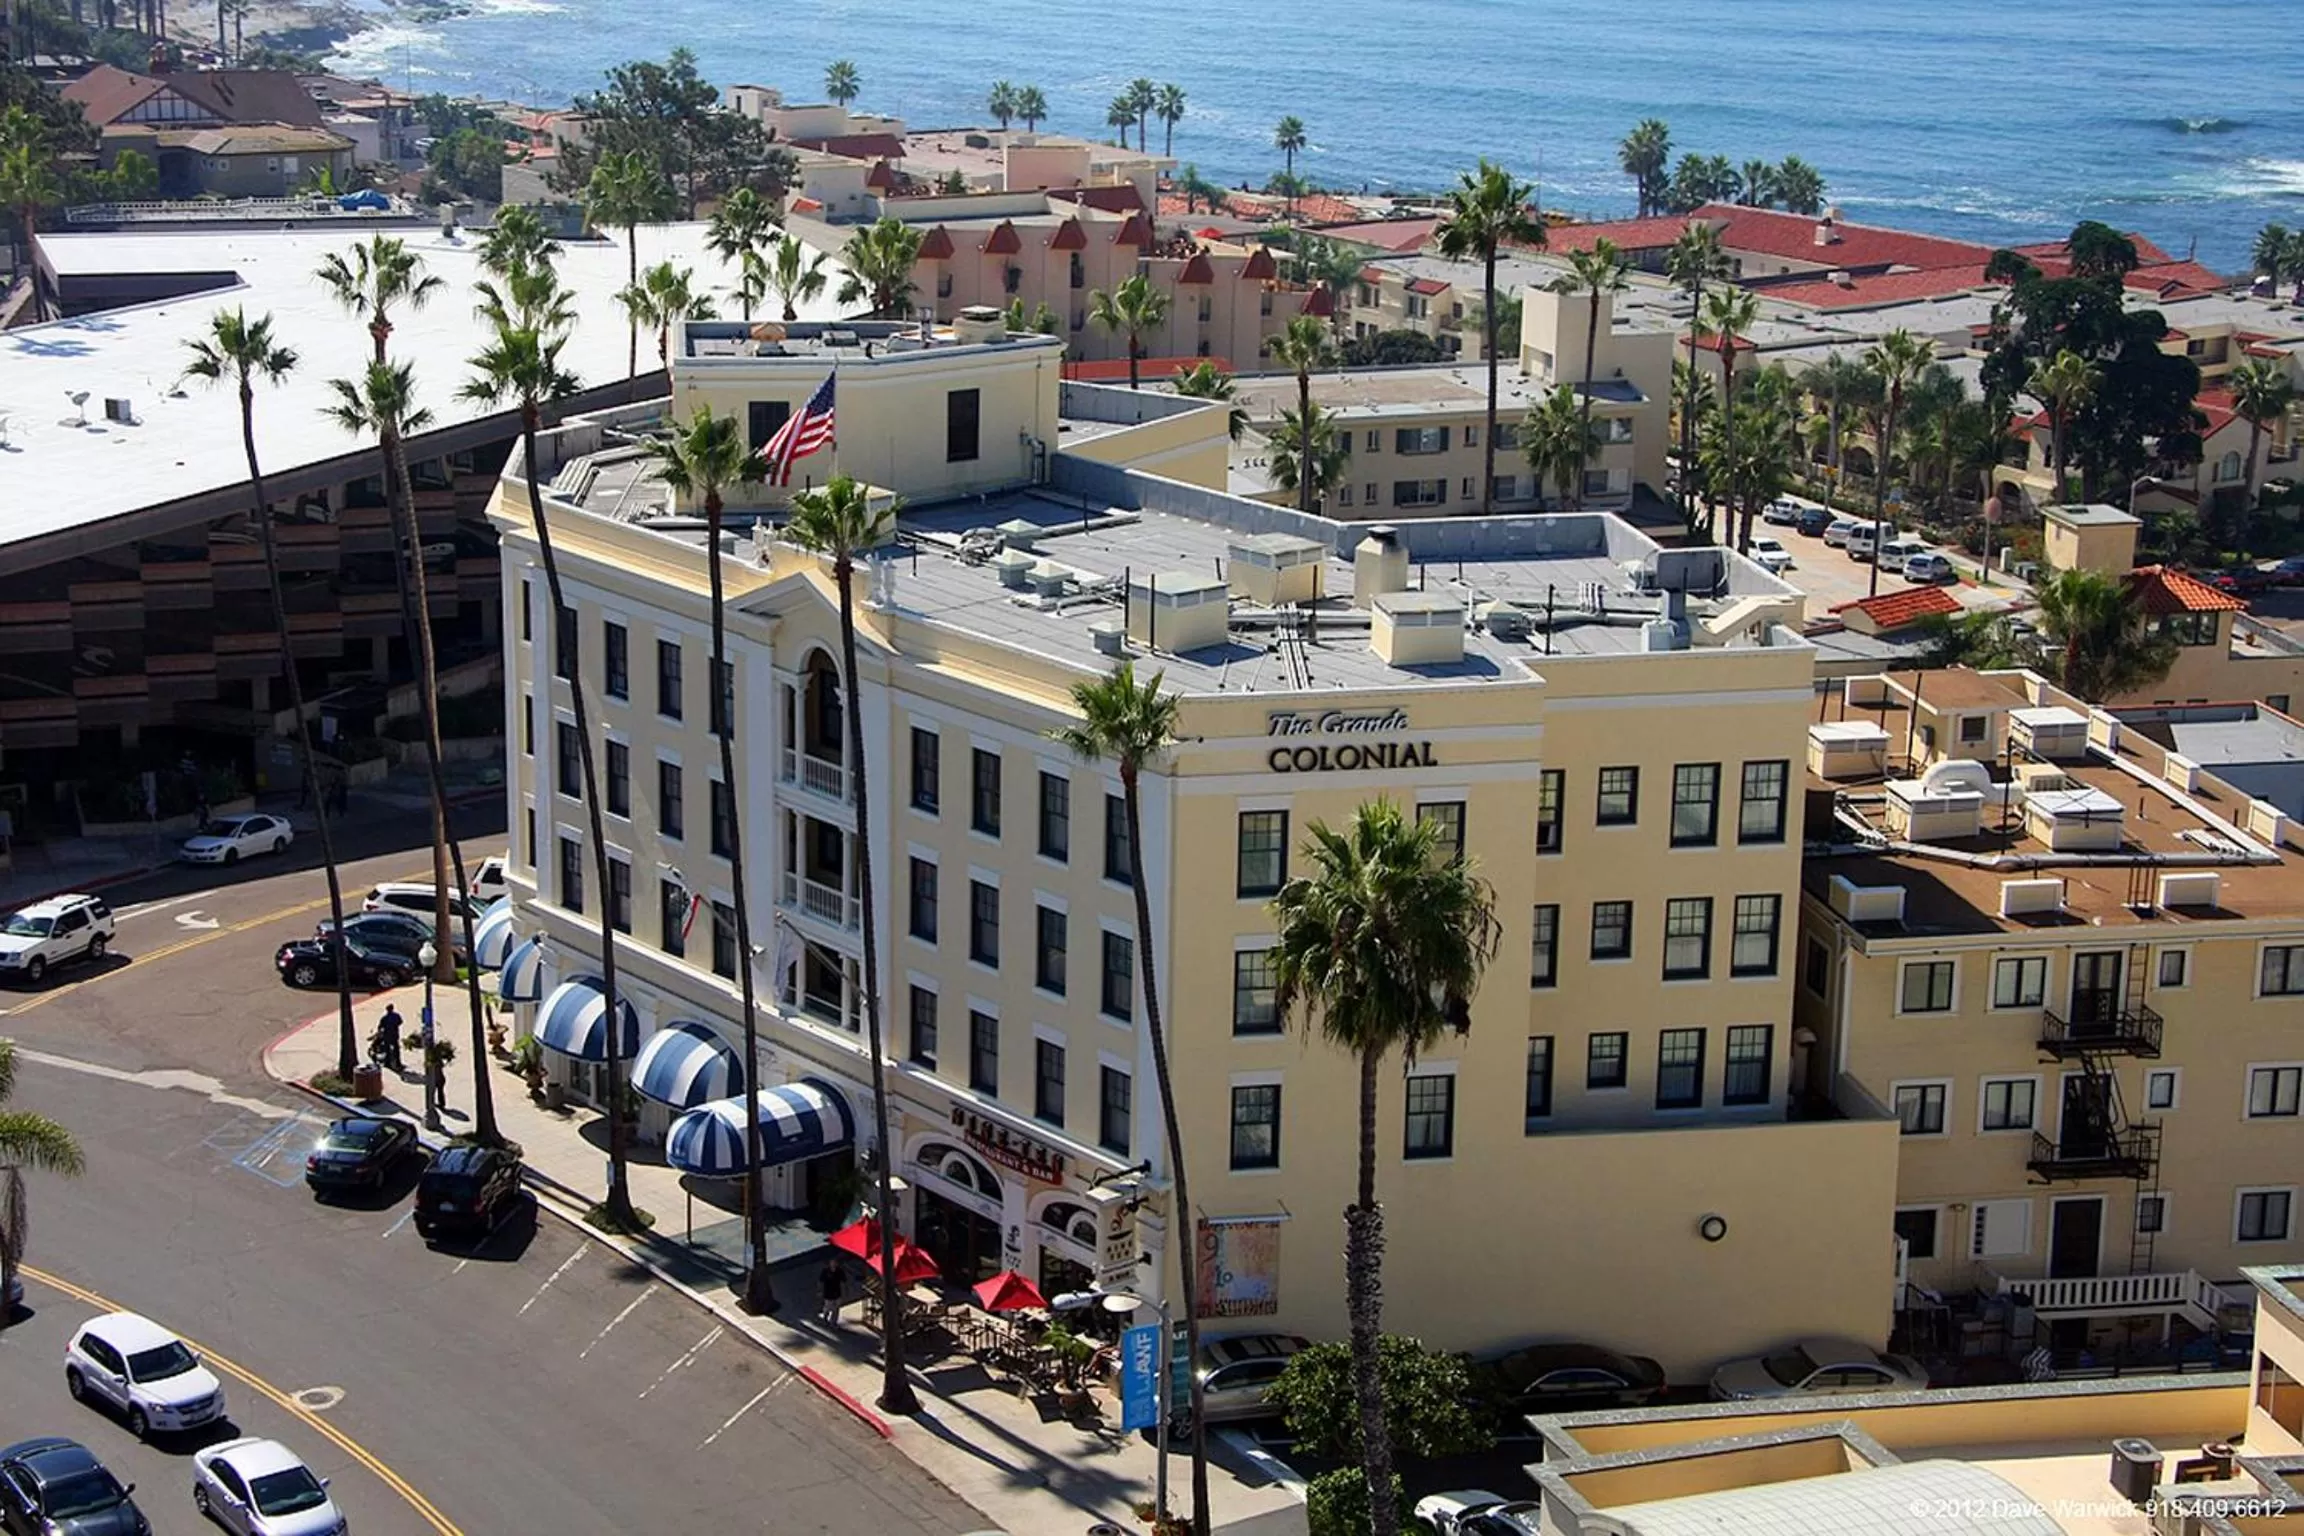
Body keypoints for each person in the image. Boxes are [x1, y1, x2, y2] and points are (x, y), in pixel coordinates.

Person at [374, 1003, 405, 1071]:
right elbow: (400, 1022)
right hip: (395, 1035)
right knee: (396, 1050)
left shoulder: (384, 1018)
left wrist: (381, 1031)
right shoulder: (396, 1016)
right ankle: (398, 1063)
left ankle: (387, 1063)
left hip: (387, 1036)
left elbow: (380, 1026)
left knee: (387, 1050)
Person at [818, 1257, 845, 1323]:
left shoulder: (840, 1271)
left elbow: (843, 1282)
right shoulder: (825, 1271)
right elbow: (821, 1281)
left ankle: (834, 1321)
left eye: (835, 1262)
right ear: (829, 1263)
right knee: (827, 1307)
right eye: (832, 1262)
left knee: (836, 1308)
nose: (833, 1264)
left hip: (837, 1293)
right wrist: (820, 1291)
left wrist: (844, 1292)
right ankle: (825, 1316)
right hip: (828, 1293)